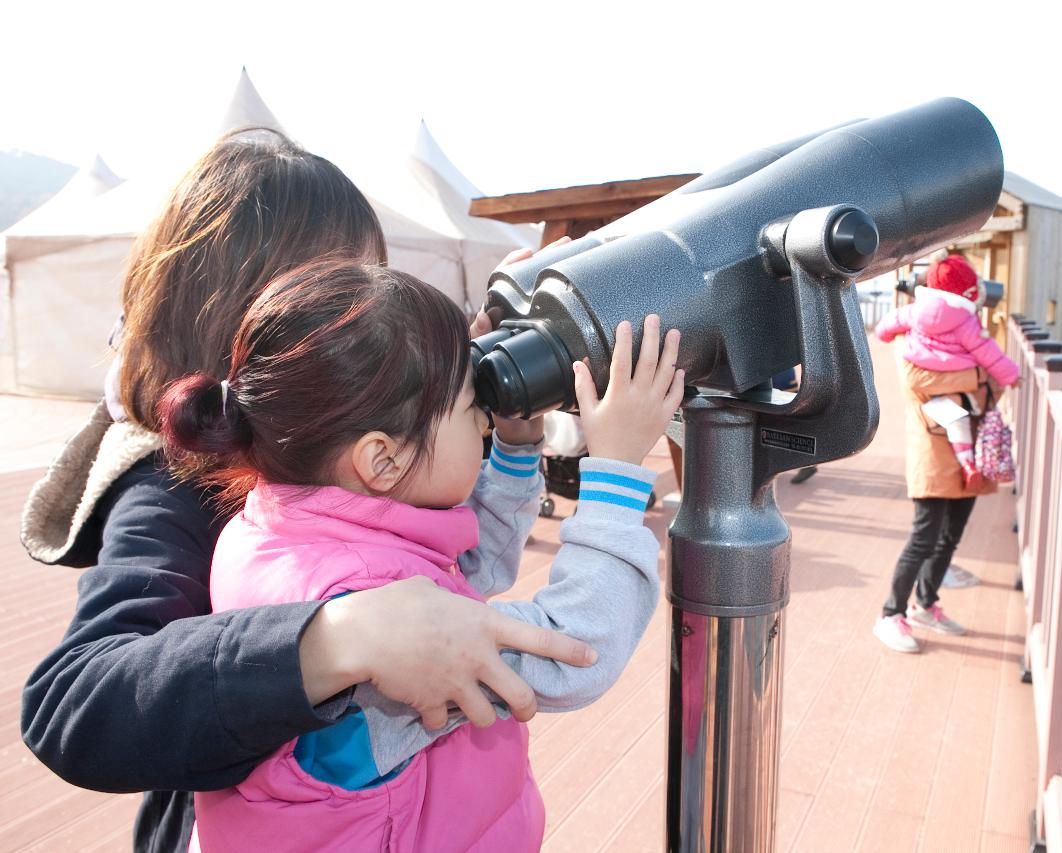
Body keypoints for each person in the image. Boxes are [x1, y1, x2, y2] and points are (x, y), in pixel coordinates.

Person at [19, 129, 595, 853]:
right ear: (246, 315)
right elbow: (75, 700)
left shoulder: (313, 454)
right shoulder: (168, 484)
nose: (367, 310)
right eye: (346, 289)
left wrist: (453, 380)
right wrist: (335, 638)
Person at [158, 261, 683, 850]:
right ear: (381, 459)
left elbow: (466, 571)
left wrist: (513, 443)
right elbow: (577, 649)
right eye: (469, 408)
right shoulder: (367, 614)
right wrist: (616, 470)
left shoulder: (278, 523)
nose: (485, 415)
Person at [869, 254, 1020, 652]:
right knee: (925, 536)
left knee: (950, 535)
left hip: (959, 445)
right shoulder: (946, 336)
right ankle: (890, 614)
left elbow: (885, 329)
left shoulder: (913, 320)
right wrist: (980, 376)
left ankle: (926, 603)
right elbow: (983, 377)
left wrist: (978, 379)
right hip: (935, 451)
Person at [874, 255, 1019, 491]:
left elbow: (889, 323)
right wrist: (1011, 375)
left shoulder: (914, 311)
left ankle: (967, 463)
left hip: (928, 379)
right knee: (963, 416)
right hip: (960, 377)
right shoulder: (966, 320)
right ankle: (970, 463)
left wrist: (885, 335)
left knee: (953, 418)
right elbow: (988, 352)